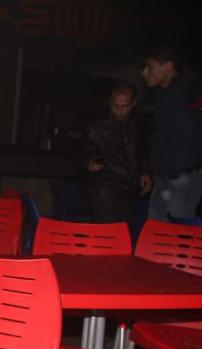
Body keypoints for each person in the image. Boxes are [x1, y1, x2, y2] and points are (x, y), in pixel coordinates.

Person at [141, 45, 202, 220]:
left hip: (184, 179)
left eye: (149, 67)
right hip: (162, 178)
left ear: (168, 66)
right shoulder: (159, 92)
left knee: (175, 232)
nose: (144, 72)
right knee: (155, 231)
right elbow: (157, 135)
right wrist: (148, 169)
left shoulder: (191, 86)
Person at [84, 83, 151, 224]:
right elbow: (83, 153)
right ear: (110, 103)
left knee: (125, 232)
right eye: (116, 106)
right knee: (107, 232)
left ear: (133, 103)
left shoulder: (138, 125)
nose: (120, 110)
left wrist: (145, 172)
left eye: (124, 106)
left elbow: (142, 152)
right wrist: (88, 164)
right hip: (105, 190)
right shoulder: (98, 126)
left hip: (130, 190)